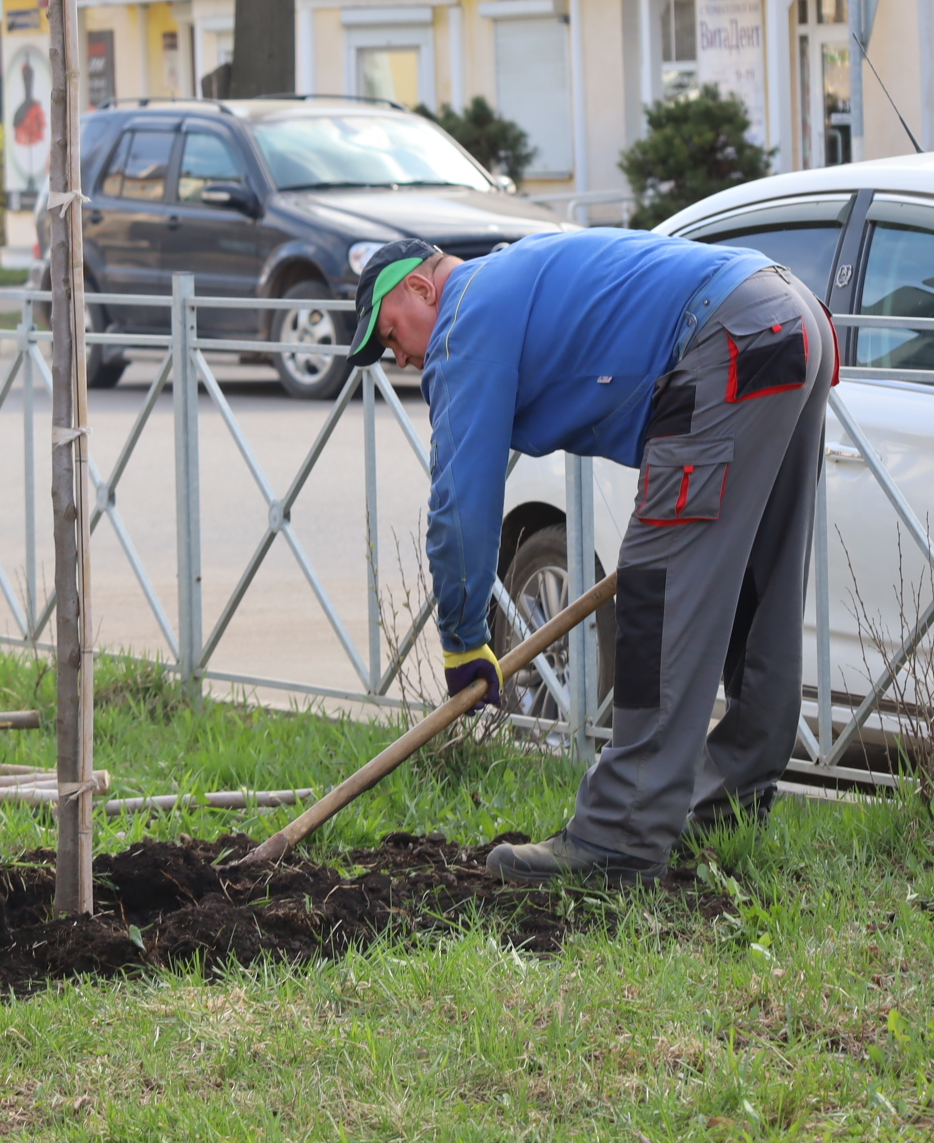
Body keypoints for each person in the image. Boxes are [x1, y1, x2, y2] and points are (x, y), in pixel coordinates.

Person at [348, 228, 835, 885]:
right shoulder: (512, 278)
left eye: (389, 335)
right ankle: (732, 808)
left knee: (656, 593)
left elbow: (461, 498)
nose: (398, 357)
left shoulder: (464, 314)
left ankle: (619, 838)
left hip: (725, 341)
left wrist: (465, 643)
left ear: (418, 286)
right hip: (788, 318)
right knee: (759, 584)